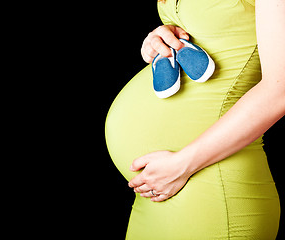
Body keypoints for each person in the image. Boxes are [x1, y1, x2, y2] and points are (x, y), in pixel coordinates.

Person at [105, 0, 285, 239]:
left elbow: (280, 91)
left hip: (211, 185)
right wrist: (164, 36)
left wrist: (182, 165)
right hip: (158, 191)